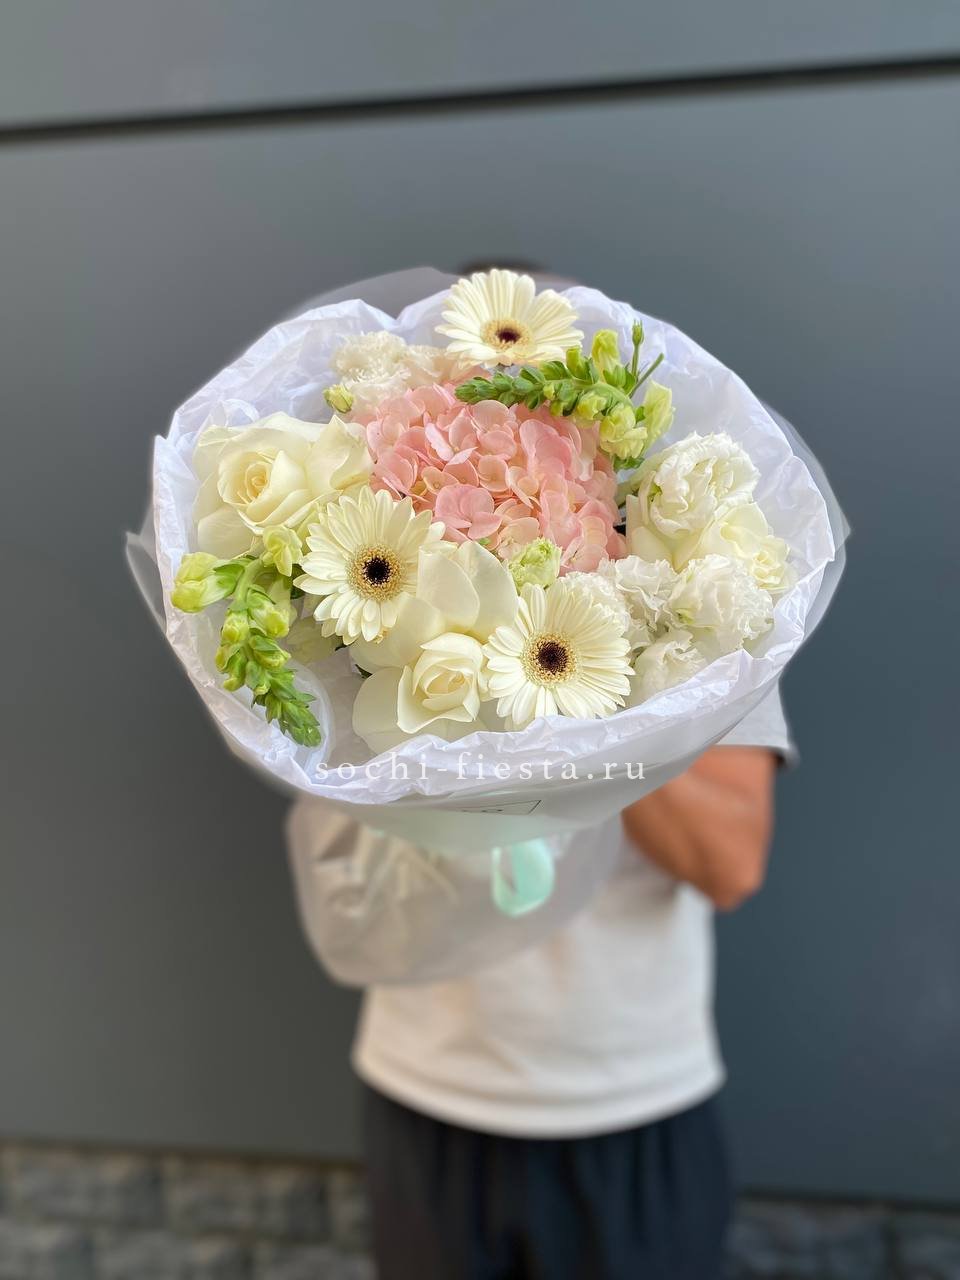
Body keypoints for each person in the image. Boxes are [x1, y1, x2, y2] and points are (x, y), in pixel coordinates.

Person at [285, 271, 796, 1279]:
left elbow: (730, 859)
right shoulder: (363, 581)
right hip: (427, 1086)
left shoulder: (705, 605)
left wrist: (582, 676)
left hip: (630, 1097)